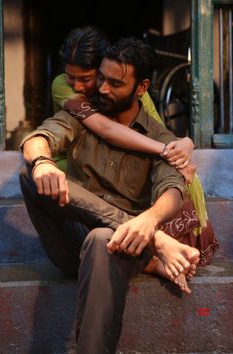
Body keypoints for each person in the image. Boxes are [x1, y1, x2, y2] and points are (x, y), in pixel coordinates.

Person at [20, 37, 208, 354]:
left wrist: (149, 221)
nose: (103, 88)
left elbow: (173, 192)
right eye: (102, 78)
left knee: (101, 239)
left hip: (124, 248)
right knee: (32, 176)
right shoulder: (83, 110)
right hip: (71, 240)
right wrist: (42, 162)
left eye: (115, 83)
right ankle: (156, 244)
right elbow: (38, 139)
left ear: (141, 87)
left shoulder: (160, 139)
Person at [51, 25, 218, 268]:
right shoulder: (61, 85)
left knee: (170, 176)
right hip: (73, 160)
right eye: (71, 77)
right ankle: (153, 253)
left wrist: (184, 144)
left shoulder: (130, 88)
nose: (77, 85)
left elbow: (158, 131)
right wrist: (165, 150)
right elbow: (106, 129)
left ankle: (159, 248)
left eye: (86, 78)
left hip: (116, 163)